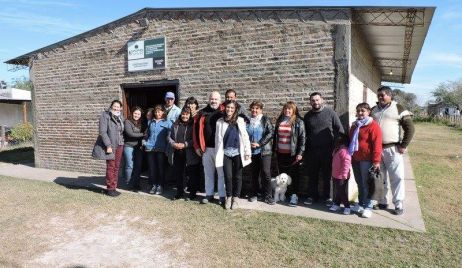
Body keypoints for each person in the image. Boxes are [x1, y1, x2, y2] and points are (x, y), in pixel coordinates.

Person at [371, 86, 415, 215]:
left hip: (392, 148)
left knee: (397, 177)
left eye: (383, 95)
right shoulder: (374, 110)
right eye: (378, 95)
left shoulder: (398, 108)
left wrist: (403, 145)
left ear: (390, 95)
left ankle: (398, 204)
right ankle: (383, 201)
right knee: (381, 177)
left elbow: (410, 128)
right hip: (377, 149)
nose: (380, 97)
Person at [303, 92, 345, 206]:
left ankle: (327, 197)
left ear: (322, 100)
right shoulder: (307, 116)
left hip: (328, 150)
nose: (315, 102)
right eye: (313, 100)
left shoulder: (330, 113)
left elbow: (340, 129)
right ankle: (312, 196)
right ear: (310, 102)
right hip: (312, 151)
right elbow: (304, 134)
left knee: (327, 175)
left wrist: (339, 146)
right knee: (313, 175)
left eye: (317, 100)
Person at [215, 100, 252, 210]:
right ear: (225, 108)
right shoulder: (220, 122)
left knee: (237, 176)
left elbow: (245, 137)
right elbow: (217, 139)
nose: (229, 110)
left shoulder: (240, 120)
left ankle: (236, 198)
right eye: (228, 107)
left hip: (237, 152)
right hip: (225, 152)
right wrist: (217, 153)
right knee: (228, 176)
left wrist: (247, 152)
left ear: (235, 109)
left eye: (232, 108)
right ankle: (229, 197)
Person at [349, 103, 382, 218]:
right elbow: (350, 141)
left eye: (363, 111)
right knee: (359, 183)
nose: (360, 113)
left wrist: (376, 161)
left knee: (366, 184)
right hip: (355, 158)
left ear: (368, 112)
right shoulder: (354, 125)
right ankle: (361, 204)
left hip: (366, 160)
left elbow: (377, 144)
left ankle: (368, 207)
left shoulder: (373, 126)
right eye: (358, 111)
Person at [193, 91, 226, 204]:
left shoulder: (224, 112)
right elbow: (195, 131)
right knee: (208, 173)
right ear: (209, 100)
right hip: (206, 148)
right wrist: (197, 147)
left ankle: (222, 196)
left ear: (220, 100)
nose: (214, 101)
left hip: (220, 149)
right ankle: (209, 194)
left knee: (221, 173)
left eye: (216, 99)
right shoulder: (202, 113)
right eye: (212, 99)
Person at [273, 101, 305, 207]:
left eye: (289, 109)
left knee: (293, 176)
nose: (287, 111)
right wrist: (274, 150)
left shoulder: (298, 122)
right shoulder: (280, 120)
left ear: (294, 110)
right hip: (280, 153)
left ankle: (294, 196)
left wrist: (300, 153)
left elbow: (302, 138)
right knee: (282, 177)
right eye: (285, 109)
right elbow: (275, 137)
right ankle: (282, 195)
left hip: (293, 154)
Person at [92, 100, 125, 197]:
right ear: (111, 106)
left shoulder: (120, 117)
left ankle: (114, 187)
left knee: (116, 167)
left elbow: (121, 132)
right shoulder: (105, 115)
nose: (116, 108)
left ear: (121, 108)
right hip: (111, 145)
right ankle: (110, 188)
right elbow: (102, 132)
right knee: (111, 166)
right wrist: (108, 145)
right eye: (114, 106)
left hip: (120, 144)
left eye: (118, 107)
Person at [167, 107, 201, 200]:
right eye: (183, 114)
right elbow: (169, 137)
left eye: (187, 114)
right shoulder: (175, 124)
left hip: (189, 153)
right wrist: (173, 144)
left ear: (189, 115)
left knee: (191, 174)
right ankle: (179, 192)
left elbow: (194, 139)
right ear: (180, 114)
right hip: (177, 152)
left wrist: (184, 144)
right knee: (179, 173)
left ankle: (192, 194)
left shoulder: (192, 125)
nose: (184, 116)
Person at [246, 101, 275, 205]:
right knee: (254, 174)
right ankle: (254, 193)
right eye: (253, 108)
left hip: (264, 151)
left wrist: (259, 143)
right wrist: (248, 144)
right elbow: (244, 134)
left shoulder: (265, 120)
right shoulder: (248, 121)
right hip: (252, 152)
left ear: (261, 110)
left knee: (266, 173)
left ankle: (268, 196)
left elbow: (271, 133)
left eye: (257, 108)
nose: (254, 110)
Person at [144, 105, 172, 195]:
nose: (157, 113)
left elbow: (170, 137)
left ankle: (160, 185)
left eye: (159, 111)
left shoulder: (168, 123)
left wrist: (168, 149)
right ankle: (154, 185)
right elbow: (146, 134)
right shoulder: (150, 122)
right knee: (152, 168)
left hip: (161, 149)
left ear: (163, 112)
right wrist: (144, 142)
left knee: (161, 168)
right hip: (150, 148)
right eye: (156, 112)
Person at [123, 106, 145, 191]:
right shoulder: (127, 122)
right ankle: (129, 184)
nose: (137, 115)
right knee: (129, 165)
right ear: (132, 113)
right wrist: (143, 134)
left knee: (138, 166)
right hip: (129, 146)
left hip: (138, 147)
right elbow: (130, 134)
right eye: (135, 113)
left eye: (138, 114)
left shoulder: (142, 123)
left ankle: (136, 184)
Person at [330, 133, 352, 215]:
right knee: (338, 191)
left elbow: (346, 163)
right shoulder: (337, 149)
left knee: (342, 192)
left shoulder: (344, 151)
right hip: (335, 175)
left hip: (342, 176)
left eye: (339, 139)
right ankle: (336, 204)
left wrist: (344, 175)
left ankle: (347, 207)